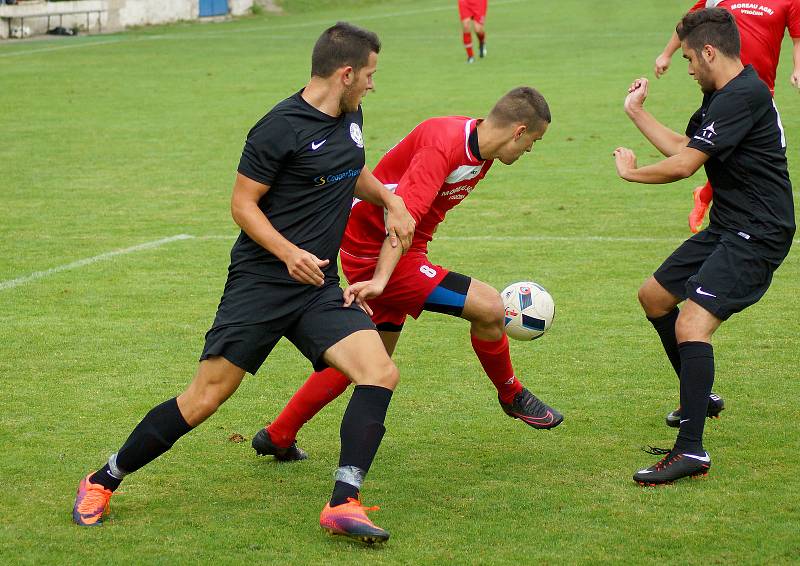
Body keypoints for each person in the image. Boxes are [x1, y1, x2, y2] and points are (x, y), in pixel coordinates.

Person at [71, 22, 417, 544]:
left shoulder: (350, 116)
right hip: (262, 283)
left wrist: (389, 199)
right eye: (369, 75)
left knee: (379, 372)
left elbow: (351, 167)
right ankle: (102, 479)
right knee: (204, 398)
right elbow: (242, 205)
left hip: (319, 286)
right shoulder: (278, 127)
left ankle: (343, 501)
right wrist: (287, 251)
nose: (372, 84)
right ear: (345, 73)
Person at [250, 86, 562, 465]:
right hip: (378, 251)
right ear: (518, 131)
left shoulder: (482, 151)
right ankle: (511, 394)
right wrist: (380, 280)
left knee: (370, 361)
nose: (530, 150)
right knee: (489, 306)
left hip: (395, 249)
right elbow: (402, 221)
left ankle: (279, 433)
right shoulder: (444, 146)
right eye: (532, 141)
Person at [614, 8, 794, 484]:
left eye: (691, 58)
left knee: (693, 324)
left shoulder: (744, 95)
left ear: (710, 52)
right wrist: (636, 112)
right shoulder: (721, 95)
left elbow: (683, 167)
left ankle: (690, 450)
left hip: (759, 232)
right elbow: (686, 146)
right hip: (728, 224)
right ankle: (700, 395)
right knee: (654, 296)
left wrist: (631, 173)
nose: (688, 67)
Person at [654, 0, 800, 233]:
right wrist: (666, 54)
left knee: (751, 152)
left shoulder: (789, 1)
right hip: (724, 86)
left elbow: (797, 38)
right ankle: (730, 216)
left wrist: (797, 67)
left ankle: (709, 198)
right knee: (720, 147)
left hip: (760, 88)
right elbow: (688, 25)